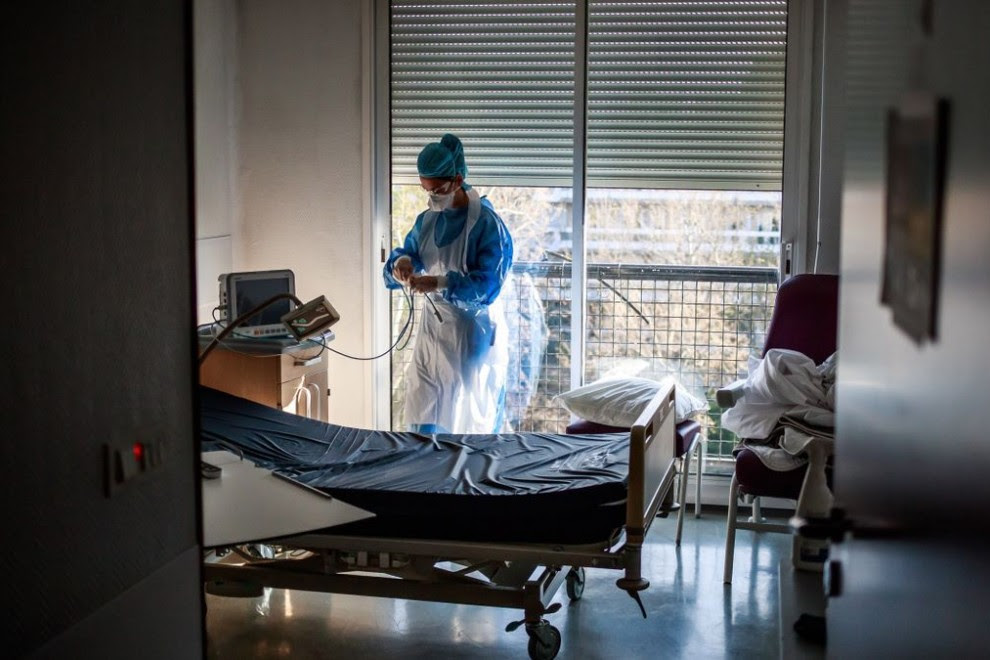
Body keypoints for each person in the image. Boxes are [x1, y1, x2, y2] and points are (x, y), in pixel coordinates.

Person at [383, 133, 513, 434]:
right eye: (426, 190)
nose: (432, 198)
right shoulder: (428, 220)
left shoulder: (487, 224)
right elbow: (410, 252)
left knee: (462, 422)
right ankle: (422, 480)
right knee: (422, 410)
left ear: (457, 180)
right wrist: (401, 264)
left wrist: (440, 282)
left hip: (471, 334)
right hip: (431, 333)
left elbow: (488, 286)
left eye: (438, 190)